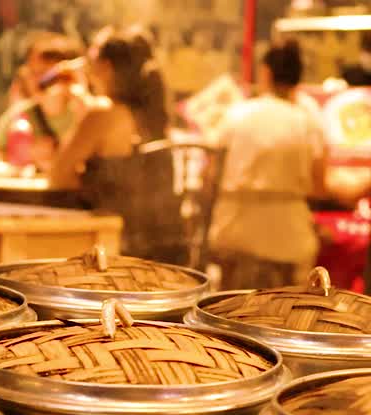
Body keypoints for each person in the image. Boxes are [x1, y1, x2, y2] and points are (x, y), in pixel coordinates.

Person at [48, 26, 181, 263]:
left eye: (90, 59)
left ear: (105, 67)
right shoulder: (153, 117)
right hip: (156, 253)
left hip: (107, 251)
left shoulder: (102, 114)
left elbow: (57, 177)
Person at [207, 40, 327, 289]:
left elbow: (209, 176)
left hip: (233, 229)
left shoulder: (235, 115)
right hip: (289, 236)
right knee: (286, 310)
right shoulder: (308, 122)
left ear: (266, 72)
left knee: (225, 307)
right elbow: (319, 186)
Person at [0, 33, 86, 161]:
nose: (35, 81)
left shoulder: (84, 113)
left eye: (45, 74)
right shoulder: (21, 113)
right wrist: (24, 154)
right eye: (32, 72)